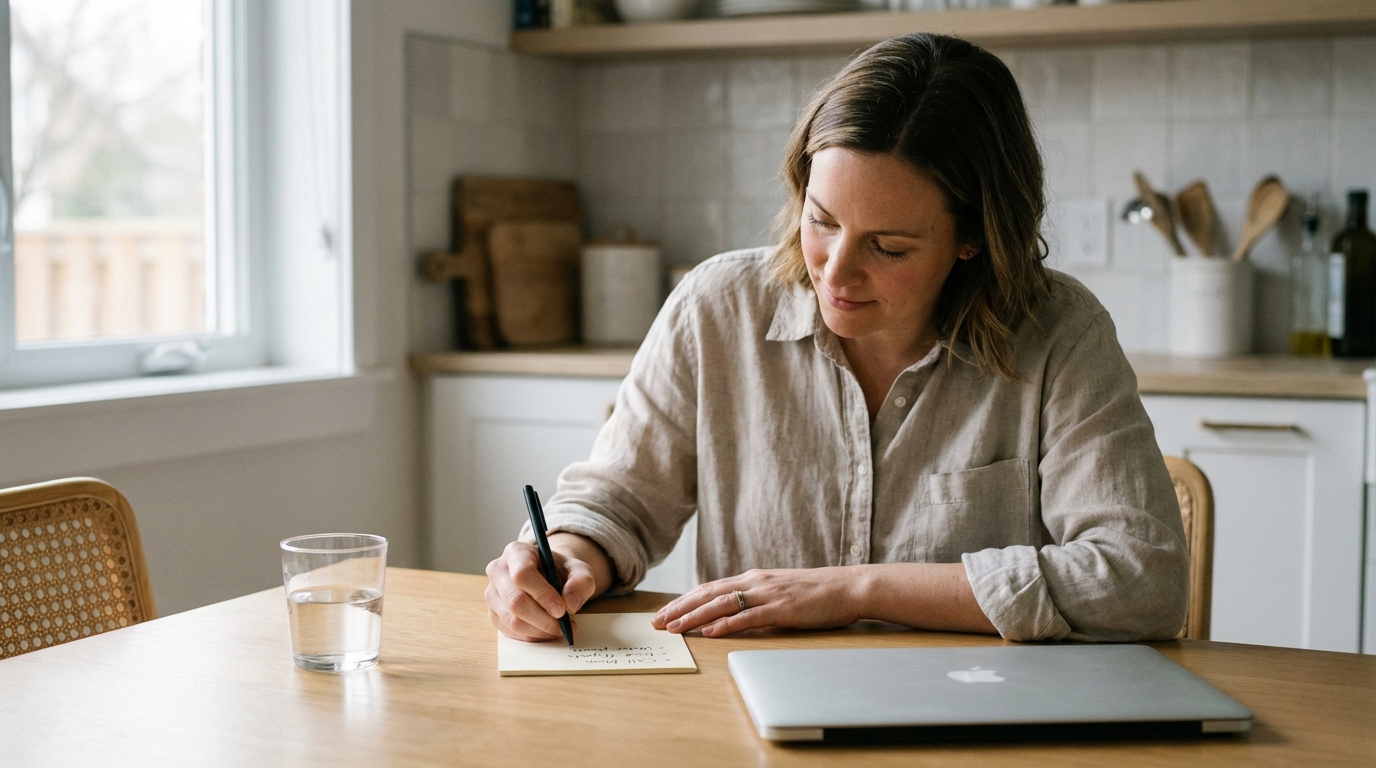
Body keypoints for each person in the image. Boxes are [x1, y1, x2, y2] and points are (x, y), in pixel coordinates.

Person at [484, 33, 1188, 644]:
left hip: (971, 713)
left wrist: (854, 590)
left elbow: (1142, 579)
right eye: (821, 221)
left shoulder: (1060, 333)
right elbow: (618, 503)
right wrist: (568, 557)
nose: (836, 272)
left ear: (972, 237)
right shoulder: (716, 308)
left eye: (889, 246)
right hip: (748, 708)